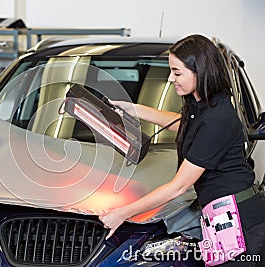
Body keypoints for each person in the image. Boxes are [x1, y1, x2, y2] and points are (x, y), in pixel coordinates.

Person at [99, 34, 265, 266]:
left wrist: (122, 213)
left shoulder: (217, 119)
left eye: (177, 73)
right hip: (221, 216)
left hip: (239, 222)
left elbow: (179, 186)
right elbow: (184, 124)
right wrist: (133, 109)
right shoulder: (204, 103)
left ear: (201, 72)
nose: (170, 79)